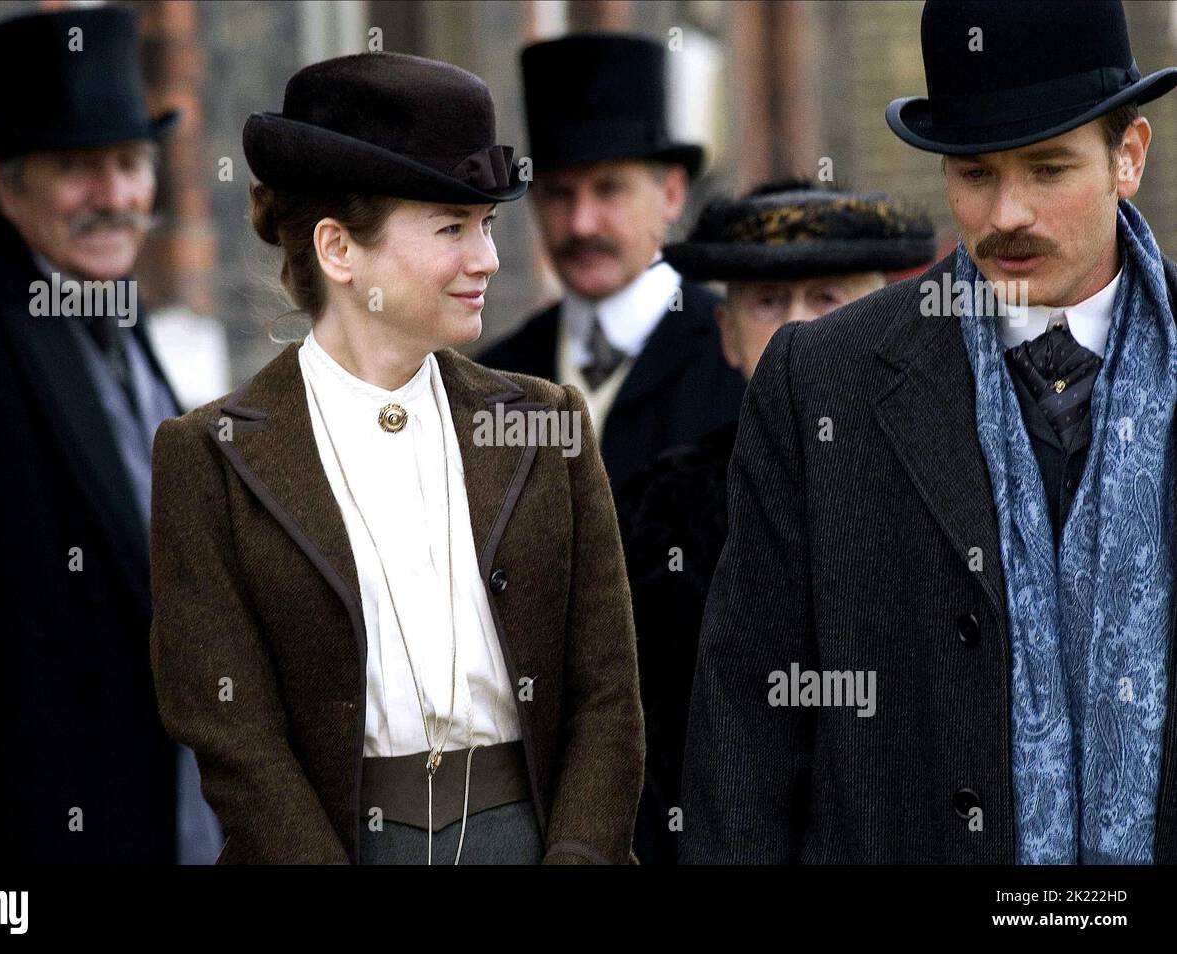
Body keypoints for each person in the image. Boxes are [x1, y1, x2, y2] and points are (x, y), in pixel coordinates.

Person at [682, 0, 1177, 864]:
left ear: (1127, 157)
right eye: (976, 174)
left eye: (1048, 167)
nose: (1008, 212)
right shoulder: (820, 379)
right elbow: (747, 731)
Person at [148, 51, 644, 865]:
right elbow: (234, 741)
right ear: (339, 250)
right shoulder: (210, 458)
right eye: (451, 227)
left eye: (486, 225)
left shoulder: (549, 426)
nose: (486, 258)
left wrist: (579, 858)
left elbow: (608, 697)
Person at [0, 7, 220, 863]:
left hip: (150, 807)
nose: (113, 197)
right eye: (77, 169)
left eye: (128, 164)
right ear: (4, 179)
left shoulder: (112, 304)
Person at [621, 179, 935, 864]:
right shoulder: (653, 513)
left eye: (828, 298)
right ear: (726, 333)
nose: (799, 329)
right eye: (767, 302)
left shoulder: (947, 488)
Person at [478, 33, 742, 523]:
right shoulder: (493, 380)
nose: (581, 223)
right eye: (559, 194)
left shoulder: (738, 365)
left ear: (671, 194)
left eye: (609, 190)